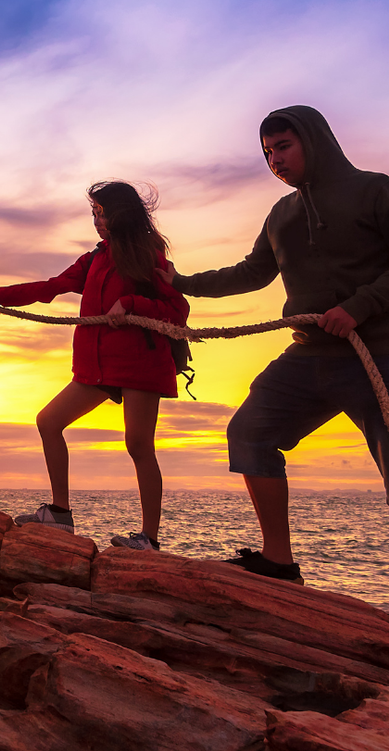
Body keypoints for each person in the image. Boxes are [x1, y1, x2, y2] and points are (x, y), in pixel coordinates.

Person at [160, 105, 389, 583]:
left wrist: (359, 307)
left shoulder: (375, 190)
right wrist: (181, 282)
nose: (275, 161)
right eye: (267, 153)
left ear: (314, 139)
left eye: (283, 146)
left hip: (377, 353)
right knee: (249, 433)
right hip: (308, 355)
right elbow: (252, 272)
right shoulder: (280, 214)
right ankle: (279, 563)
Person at [0, 182, 189, 549]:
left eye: (102, 213)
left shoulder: (150, 255)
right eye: (94, 214)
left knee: (138, 445)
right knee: (49, 421)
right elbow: (48, 287)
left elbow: (179, 313)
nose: (97, 221)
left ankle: (149, 538)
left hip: (141, 362)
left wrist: (132, 303)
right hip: (99, 366)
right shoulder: (95, 259)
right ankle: (60, 515)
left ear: (121, 214)